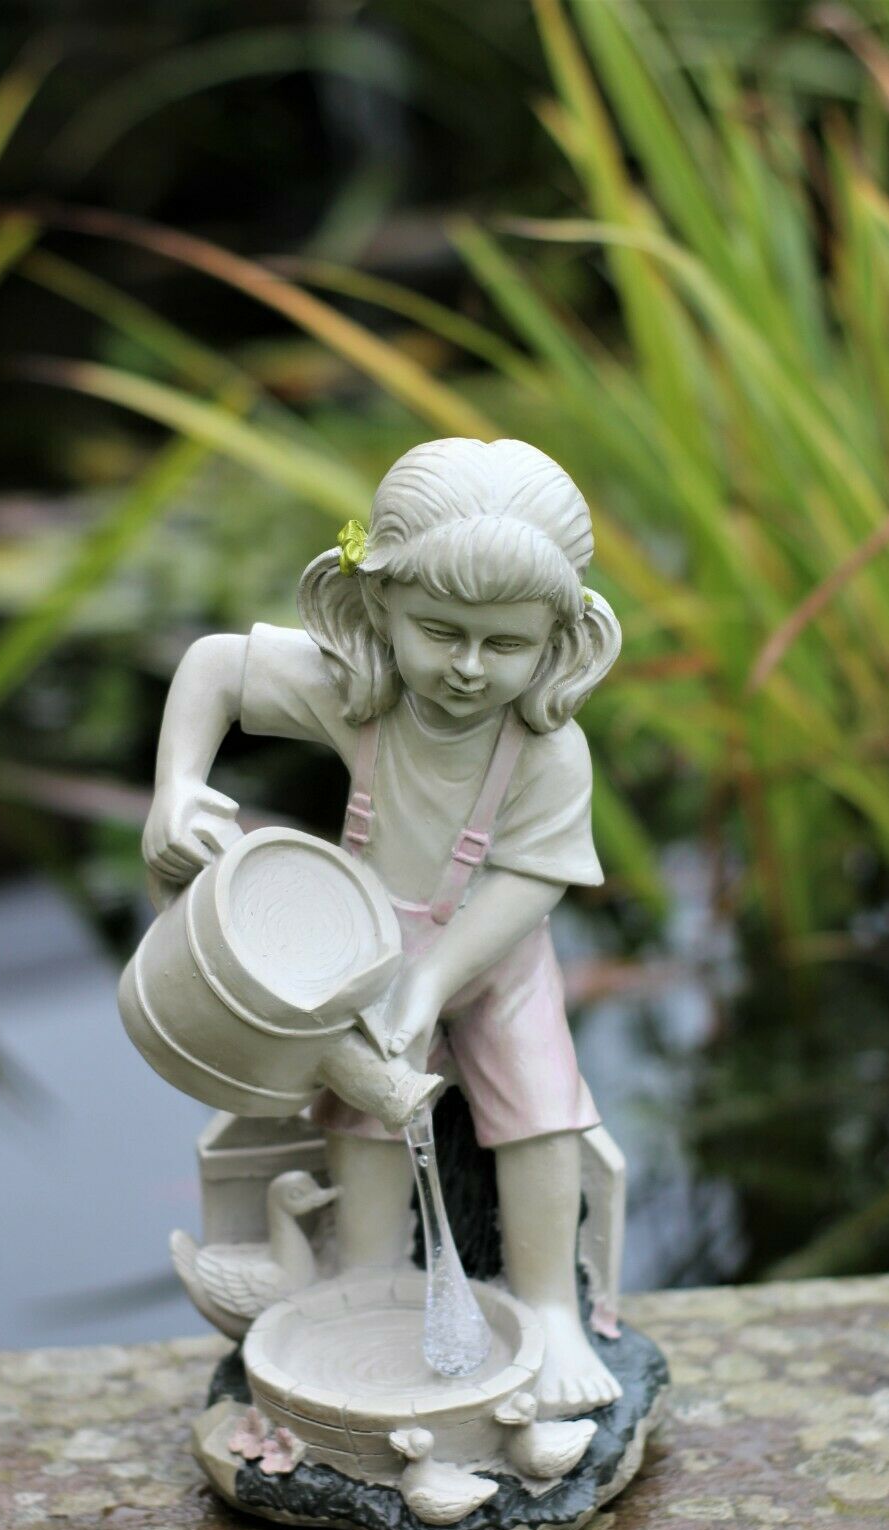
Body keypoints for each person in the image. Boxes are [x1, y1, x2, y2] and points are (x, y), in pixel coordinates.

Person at [143, 437, 624, 1414]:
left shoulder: (545, 746)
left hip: (494, 948)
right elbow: (213, 670)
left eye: (506, 644)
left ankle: (549, 1308)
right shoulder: (357, 690)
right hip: (360, 939)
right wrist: (176, 787)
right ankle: (365, 1276)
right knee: (364, 1105)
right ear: (377, 608)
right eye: (440, 632)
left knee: (540, 1110)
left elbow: (531, 878)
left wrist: (437, 979)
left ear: (558, 639)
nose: (469, 667)